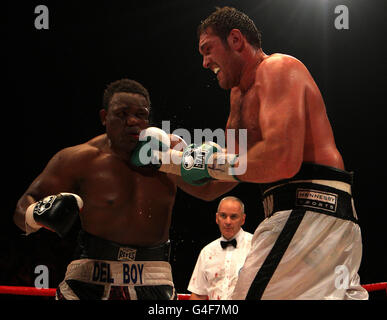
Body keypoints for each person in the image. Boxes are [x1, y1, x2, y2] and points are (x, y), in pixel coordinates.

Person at [131, 7, 368, 299]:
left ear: (235, 40)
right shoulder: (237, 97)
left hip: (311, 209)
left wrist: (209, 161)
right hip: (300, 215)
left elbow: (281, 161)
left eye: (208, 50)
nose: (204, 62)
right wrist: (166, 163)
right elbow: (214, 186)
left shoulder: (278, 68)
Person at [13, 78, 232, 300]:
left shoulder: (168, 154)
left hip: (154, 276)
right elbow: (24, 205)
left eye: (141, 114)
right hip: (89, 276)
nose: (132, 121)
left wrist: (250, 165)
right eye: (122, 113)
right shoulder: (80, 159)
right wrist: (36, 213)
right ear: (104, 117)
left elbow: (208, 191)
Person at [187, 196, 252, 300]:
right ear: (217, 218)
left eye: (233, 216)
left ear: (243, 219)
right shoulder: (207, 252)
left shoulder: (255, 246)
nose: (228, 221)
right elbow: (198, 295)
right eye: (223, 216)